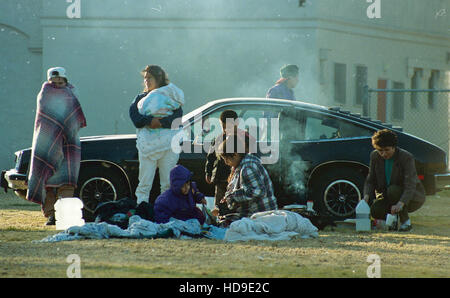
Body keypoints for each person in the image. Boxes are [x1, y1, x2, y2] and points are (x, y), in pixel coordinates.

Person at [26, 67, 87, 225]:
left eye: (61, 80)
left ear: (65, 80)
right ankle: (52, 215)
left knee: (66, 181)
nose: (58, 83)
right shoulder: (45, 93)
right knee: (50, 182)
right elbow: (46, 118)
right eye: (54, 81)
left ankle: (65, 216)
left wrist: (67, 127)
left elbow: (74, 115)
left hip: (69, 142)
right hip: (49, 142)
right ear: (49, 80)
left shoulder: (72, 92)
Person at [129, 65, 184, 205]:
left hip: (168, 144)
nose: (146, 81)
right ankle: (142, 209)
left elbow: (176, 119)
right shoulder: (140, 99)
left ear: (158, 78)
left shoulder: (171, 96)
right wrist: (149, 121)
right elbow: (136, 118)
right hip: (147, 144)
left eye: (150, 78)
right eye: (145, 78)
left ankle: (165, 211)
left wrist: (160, 122)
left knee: (167, 182)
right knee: (144, 182)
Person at [363, 129, 426, 231]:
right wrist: (366, 195)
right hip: (388, 195)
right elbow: (370, 180)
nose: (383, 154)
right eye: (380, 150)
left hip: (410, 197)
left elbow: (410, 184)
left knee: (393, 190)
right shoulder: (374, 156)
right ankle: (392, 222)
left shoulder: (406, 157)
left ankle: (406, 222)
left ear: (394, 147)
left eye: (387, 150)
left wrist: (400, 204)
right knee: (375, 210)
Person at [205, 110, 256, 217]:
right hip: (221, 178)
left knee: (236, 206)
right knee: (219, 205)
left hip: (239, 179)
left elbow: (252, 155)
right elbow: (211, 157)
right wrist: (208, 172)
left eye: (228, 126)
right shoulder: (219, 138)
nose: (225, 130)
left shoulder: (245, 138)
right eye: (222, 127)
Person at [217, 134, 278, 220]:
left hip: (262, 215)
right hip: (253, 213)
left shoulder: (247, 168)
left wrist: (233, 196)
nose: (226, 162)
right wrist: (229, 197)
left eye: (226, 159)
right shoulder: (241, 166)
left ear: (235, 154)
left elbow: (257, 191)